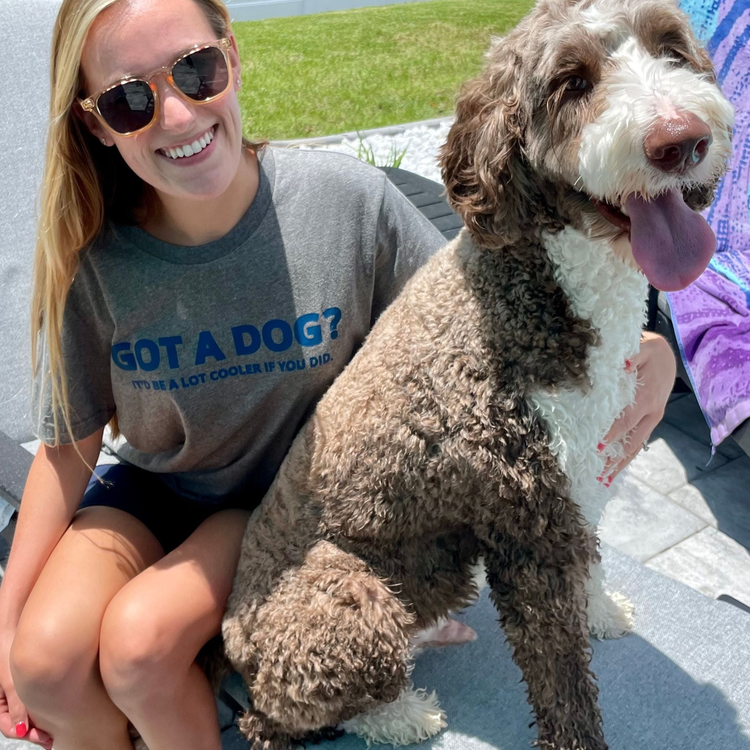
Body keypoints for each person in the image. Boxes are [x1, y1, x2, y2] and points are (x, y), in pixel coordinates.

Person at [0, 0, 677, 748]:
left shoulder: (342, 202)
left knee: (138, 646)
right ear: (97, 123)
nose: (179, 114)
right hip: (154, 491)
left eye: (196, 70)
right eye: (130, 100)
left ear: (233, 57)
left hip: (284, 508)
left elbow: (472, 310)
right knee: (45, 663)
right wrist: (8, 613)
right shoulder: (99, 267)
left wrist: (646, 342)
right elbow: (67, 447)